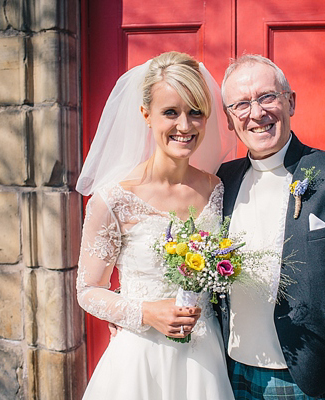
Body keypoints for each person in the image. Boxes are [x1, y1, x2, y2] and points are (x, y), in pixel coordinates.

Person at [215, 54, 325, 399]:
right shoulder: (222, 181)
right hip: (228, 371)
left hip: (307, 381)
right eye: (241, 104)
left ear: (290, 101)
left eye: (267, 97)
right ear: (228, 119)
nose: (256, 113)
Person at [75, 51, 237, 399]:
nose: (185, 125)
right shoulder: (112, 200)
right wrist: (145, 312)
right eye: (170, 112)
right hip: (139, 361)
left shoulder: (215, 189)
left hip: (204, 359)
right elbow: (87, 290)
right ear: (146, 115)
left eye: (196, 112)